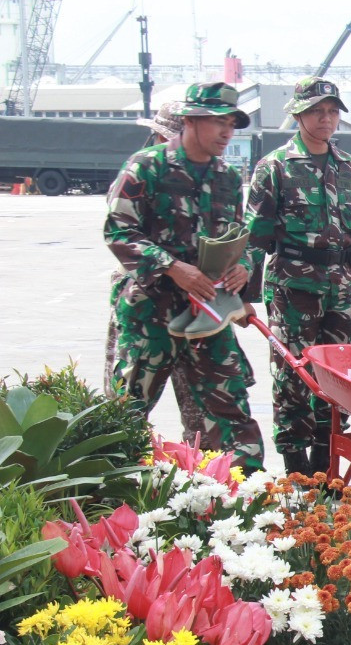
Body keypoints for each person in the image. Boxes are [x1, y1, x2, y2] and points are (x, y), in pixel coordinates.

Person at [105, 82, 265, 472]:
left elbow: (236, 234)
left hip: (208, 314)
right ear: (190, 121)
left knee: (232, 409)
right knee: (126, 412)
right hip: (150, 312)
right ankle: (104, 499)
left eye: (231, 123)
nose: (227, 132)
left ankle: (247, 506)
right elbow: (118, 230)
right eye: (218, 123)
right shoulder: (147, 166)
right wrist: (172, 268)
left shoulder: (227, 178)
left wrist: (242, 265)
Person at [246, 78, 351, 476]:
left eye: (332, 112)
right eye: (317, 111)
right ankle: (296, 470)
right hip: (291, 290)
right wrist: (244, 295)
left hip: (340, 290)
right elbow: (253, 236)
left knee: (341, 377)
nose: (326, 119)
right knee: (293, 377)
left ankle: (325, 463)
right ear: (298, 115)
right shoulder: (275, 168)